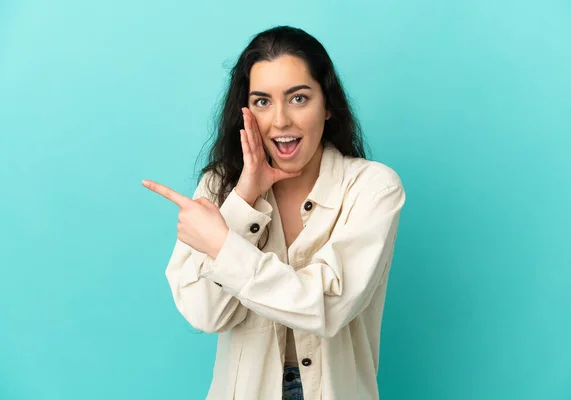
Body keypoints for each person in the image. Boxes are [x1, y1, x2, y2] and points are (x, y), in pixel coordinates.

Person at [142, 25, 406, 400]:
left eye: (298, 98)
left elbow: (326, 307)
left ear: (328, 105)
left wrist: (222, 244)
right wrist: (243, 200)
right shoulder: (220, 185)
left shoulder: (373, 188)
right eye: (263, 101)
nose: (280, 121)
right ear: (246, 111)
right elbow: (206, 314)